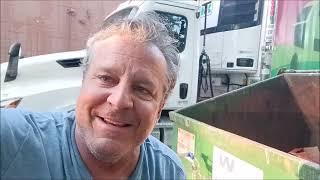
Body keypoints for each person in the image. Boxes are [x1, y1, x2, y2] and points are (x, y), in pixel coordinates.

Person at [1, 11, 185, 179]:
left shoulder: (168, 171)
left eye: (142, 89)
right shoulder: (13, 139)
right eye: (106, 78)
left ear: (160, 108)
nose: (119, 101)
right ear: (84, 82)